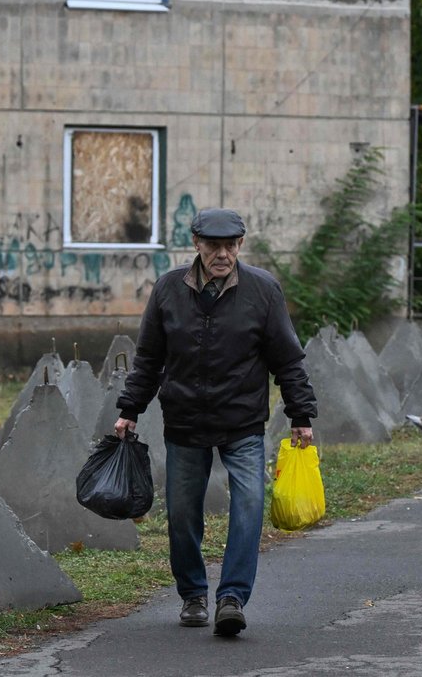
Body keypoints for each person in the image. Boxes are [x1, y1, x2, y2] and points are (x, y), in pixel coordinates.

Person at [114, 208, 317, 637]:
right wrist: (130, 409)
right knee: (183, 514)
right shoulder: (169, 290)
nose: (222, 253)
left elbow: (288, 358)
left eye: (231, 245)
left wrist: (301, 414)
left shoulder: (263, 291)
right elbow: (149, 358)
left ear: (241, 245)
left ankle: (232, 598)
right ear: (197, 245)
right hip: (185, 421)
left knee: (249, 506)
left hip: (242, 422)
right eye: (213, 245)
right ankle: (192, 593)